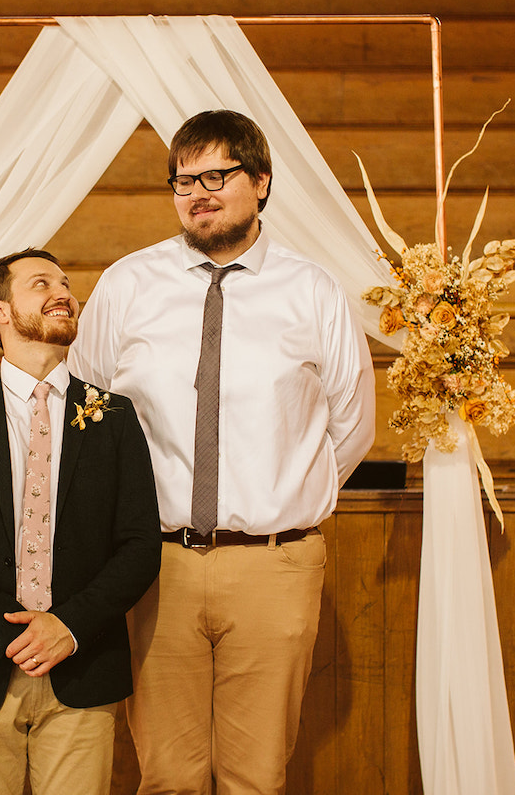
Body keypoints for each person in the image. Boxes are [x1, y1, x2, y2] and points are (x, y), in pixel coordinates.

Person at [69, 110, 376, 794]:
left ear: (260, 181)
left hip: (275, 564)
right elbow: (86, 413)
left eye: (217, 175)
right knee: (167, 778)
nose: (198, 193)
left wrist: (279, 496)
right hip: (153, 566)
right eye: (183, 181)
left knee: (256, 778)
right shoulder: (128, 285)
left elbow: (350, 428)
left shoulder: (314, 290)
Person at [0, 248, 161, 795]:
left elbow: (138, 544)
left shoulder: (113, 416)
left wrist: (68, 626)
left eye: (65, 283)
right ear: (0, 310)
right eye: (41, 283)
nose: (62, 292)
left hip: (81, 664)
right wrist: (6, 632)